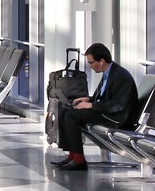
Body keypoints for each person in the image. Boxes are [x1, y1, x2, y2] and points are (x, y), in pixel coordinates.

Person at [50, 43, 139, 171]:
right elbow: (106, 96)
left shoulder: (120, 76)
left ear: (101, 61)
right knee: (64, 111)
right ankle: (72, 155)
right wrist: (89, 99)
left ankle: (79, 160)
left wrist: (91, 105)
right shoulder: (110, 73)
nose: (90, 66)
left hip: (117, 118)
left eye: (91, 63)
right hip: (107, 112)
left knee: (72, 116)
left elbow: (118, 105)